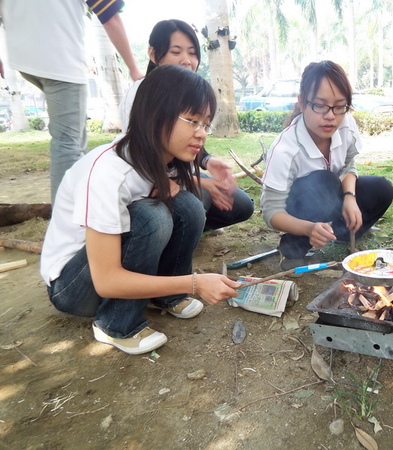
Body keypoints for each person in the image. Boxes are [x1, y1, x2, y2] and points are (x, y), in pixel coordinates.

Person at [40, 65, 242, 355]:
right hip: (74, 287)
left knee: (189, 206)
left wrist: (199, 184)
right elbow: (106, 279)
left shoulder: (160, 159)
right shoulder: (108, 173)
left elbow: (180, 198)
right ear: (155, 114)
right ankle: (114, 323)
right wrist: (196, 283)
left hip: (101, 273)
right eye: (192, 121)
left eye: (206, 124)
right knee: (151, 217)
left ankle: (167, 296)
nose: (202, 134)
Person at [0, 0, 144, 204]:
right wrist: (134, 68)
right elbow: (110, 16)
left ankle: (83, 203)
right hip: (60, 60)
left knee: (75, 139)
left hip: (24, 57)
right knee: (67, 144)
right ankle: (64, 225)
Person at [119, 19, 254, 232]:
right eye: (176, 52)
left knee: (242, 205)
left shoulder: (190, 91)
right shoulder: (142, 95)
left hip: (185, 175)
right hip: (154, 181)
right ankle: (178, 235)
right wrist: (200, 182)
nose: (187, 61)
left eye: (192, 53)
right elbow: (139, 155)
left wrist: (208, 161)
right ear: (154, 55)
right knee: (195, 204)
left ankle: (192, 230)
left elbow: (188, 136)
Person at [261, 60, 393, 271]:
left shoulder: (346, 123)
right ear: (303, 103)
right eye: (320, 105)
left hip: (332, 193)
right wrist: (309, 228)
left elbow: (349, 165)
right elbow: (271, 212)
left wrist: (350, 197)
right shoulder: (284, 149)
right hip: (297, 208)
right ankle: (294, 245)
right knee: (325, 182)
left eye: (340, 106)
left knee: (381, 188)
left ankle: (343, 234)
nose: (331, 116)